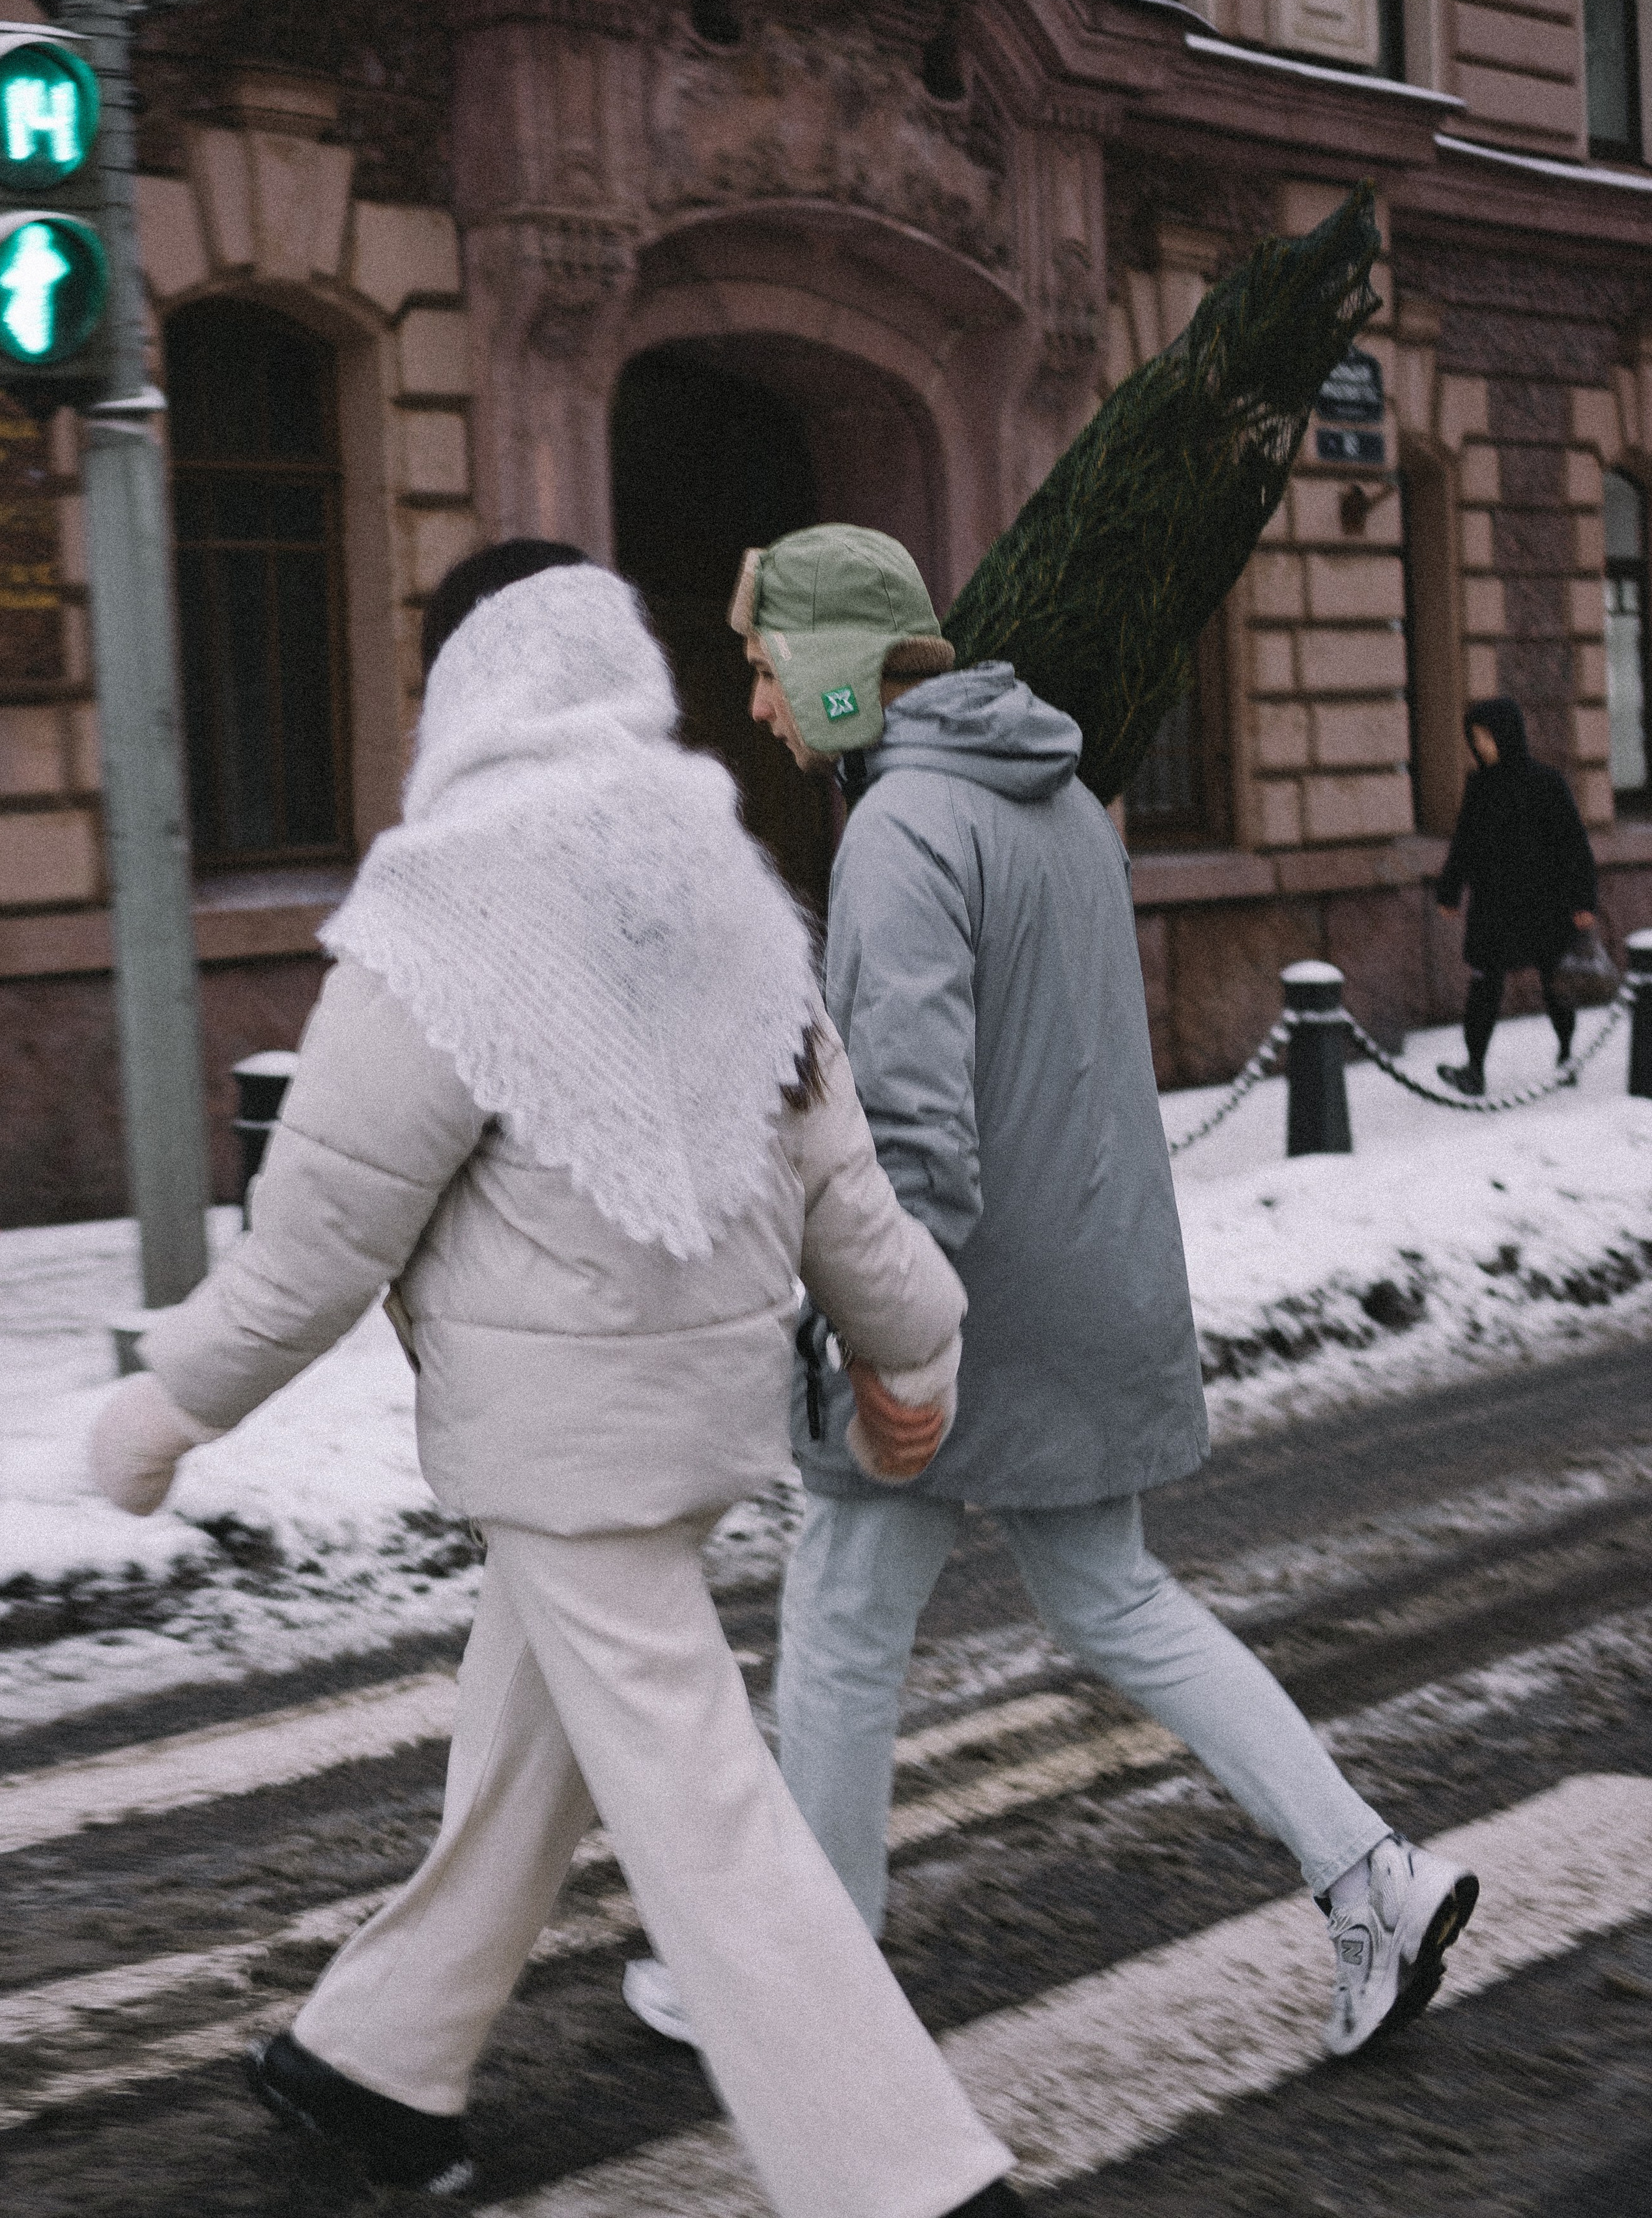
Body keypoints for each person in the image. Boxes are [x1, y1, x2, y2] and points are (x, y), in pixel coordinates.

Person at [89, 539, 1020, 2218]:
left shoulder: (447, 908)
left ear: (466, 686)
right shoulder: (726, 882)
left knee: (704, 1806)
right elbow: (835, 1168)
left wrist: (169, 1403)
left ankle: (903, 2178)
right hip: (689, 1404)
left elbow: (318, 1236)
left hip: (556, 1428)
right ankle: (374, 2059)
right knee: (536, 1744)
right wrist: (916, 1339)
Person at [627, 522, 1478, 2065]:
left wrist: (869, 1334)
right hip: (1084, 1279)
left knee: (836, 1616)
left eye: (763, 670)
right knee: (1106, 1598)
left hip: (959, 1306)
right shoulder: (1055, 802)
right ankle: (1372, 1873)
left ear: (828, 668)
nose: (753, 703)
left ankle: (795, 1971)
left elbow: (919, 1133)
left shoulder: (898, 829)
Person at [1434, 694, 1599, 1097]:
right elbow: (1465, 843)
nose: (1480, 746)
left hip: (1546, 903)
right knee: (1484, 985)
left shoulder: (1546, 783)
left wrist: (1582, 900)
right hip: (1493, 905)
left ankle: (1566, 1055)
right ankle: (1474, 1070)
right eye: (1475, 739)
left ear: (1506, 736)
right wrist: (1450, 891)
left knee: (1555, 983)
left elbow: (1573, 845)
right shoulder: (1479, 787)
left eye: (1486, 737)